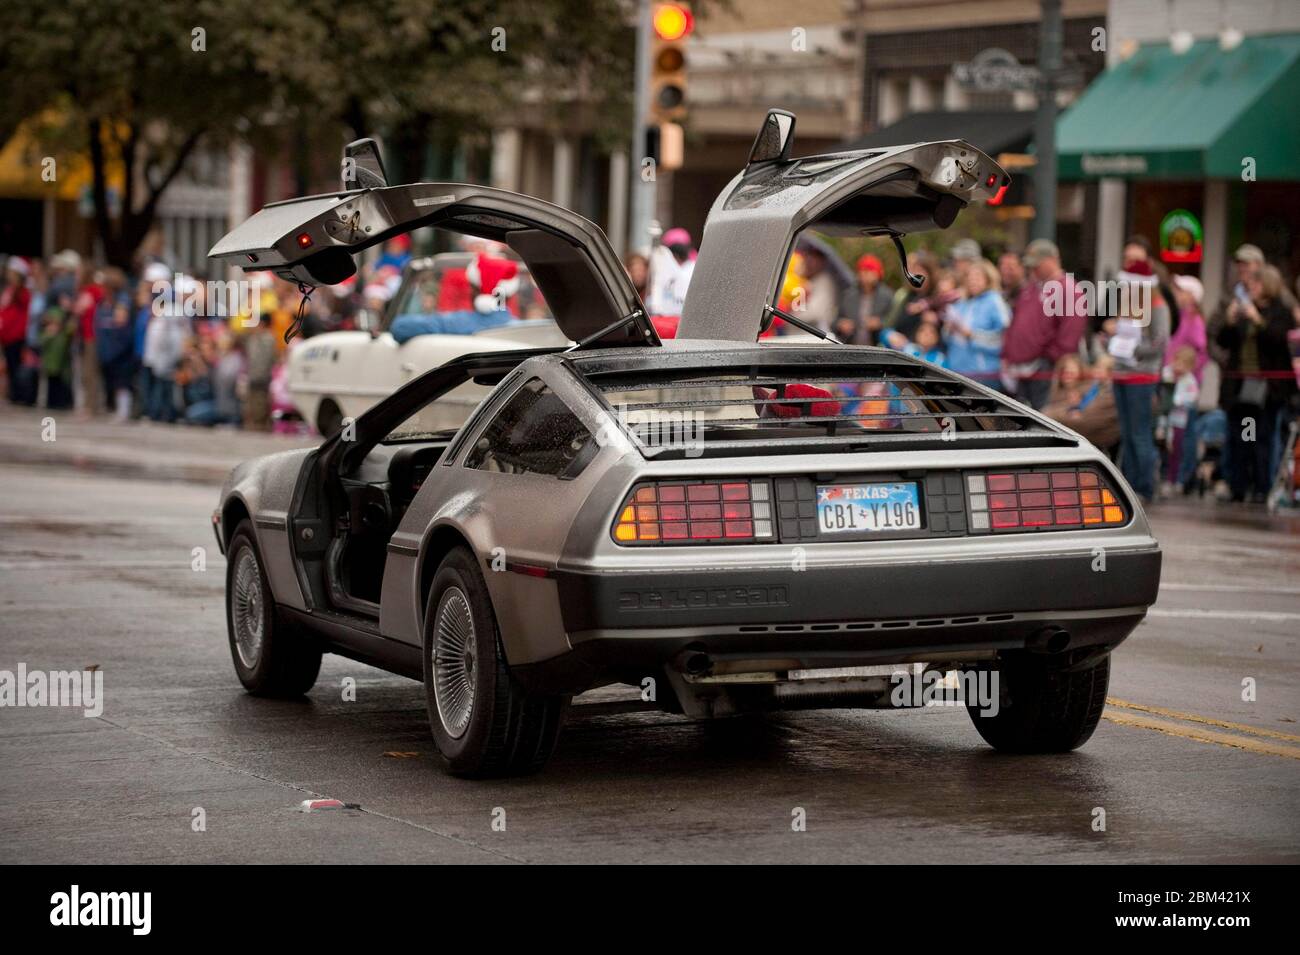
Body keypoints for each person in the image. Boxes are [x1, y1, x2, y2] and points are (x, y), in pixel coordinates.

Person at [1216, 265, 1297, 502]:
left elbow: (1279, 341)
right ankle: (1239, 485)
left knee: (1262, 437)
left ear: (1267, 285)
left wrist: (1258, 320)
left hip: (1267, 388)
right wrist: (1230, 321)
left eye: (1256, 283)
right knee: (1242, 436)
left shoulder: (1280, 312)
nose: (1250, 286)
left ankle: (1262, 486)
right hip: (1242, 386)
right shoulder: (1242, 311)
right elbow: (1224, 341)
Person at [1108, 261, 1170, 503]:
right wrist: (1110, 339)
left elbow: (1159, 343)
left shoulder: (1158, 306)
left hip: (1142, 376)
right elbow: (1120, 335)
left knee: (1140, 433)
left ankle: (1144, 486)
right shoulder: (1127, 303)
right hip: (1121, 373)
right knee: (1126, 432)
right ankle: (1130, 483)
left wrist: (1133, 349)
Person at [1001, 238, 1085, 409]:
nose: (1033, 269)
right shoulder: (1031, 287)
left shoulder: (1067, 288)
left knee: (1043, 417)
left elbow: (1070, 333)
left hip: (1043, 370)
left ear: (1052, 260)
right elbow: (1016, 322)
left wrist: (1049, 359)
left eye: (1037, 264)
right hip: (1021, 368)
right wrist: (1008, 354)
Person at [943, 258, 1009, 385]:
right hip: (957, 372)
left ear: (988, 279)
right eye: (970, 277)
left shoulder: (995, 301)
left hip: (983, 375)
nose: (972, 281)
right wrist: (948, 330)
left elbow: (1004, 339)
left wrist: (972, 335)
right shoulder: (961, 303)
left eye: (977, 277)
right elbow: (947, 338)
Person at [1042, 353, 1120, 450]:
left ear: (1110, 373)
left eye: (1099, 368)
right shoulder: (1097, 387)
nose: (1094, 371)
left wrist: (1070, 411)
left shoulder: (1109, 392)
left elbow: (1088, 416)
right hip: (1085, 428)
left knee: (1048, 419)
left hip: (1097, 435)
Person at [94, 269, 137, 420]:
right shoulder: (103, 301)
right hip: (107, 346)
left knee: (122, 381)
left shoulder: (122, 300)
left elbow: (121, 321)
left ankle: (123, 411)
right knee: (110, 380)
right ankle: (114, 408)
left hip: (120, 347)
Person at [841, 253, 893, 345]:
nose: (866, 274)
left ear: (878, 274)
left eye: (870, 271)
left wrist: (880, 323)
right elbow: (835, 320)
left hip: (877, 345)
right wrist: (841, 324)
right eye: (863, 270)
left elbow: (893, 320)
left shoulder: (887, 296)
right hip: (851, 344)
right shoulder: (849, 295)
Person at [1, 257, 33, 404]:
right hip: (6, 335)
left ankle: (18, 396)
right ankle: (12, 394)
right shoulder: (8, 290)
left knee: (17, 367)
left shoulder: (23, 292)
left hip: (17, 335)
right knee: (9, 366)